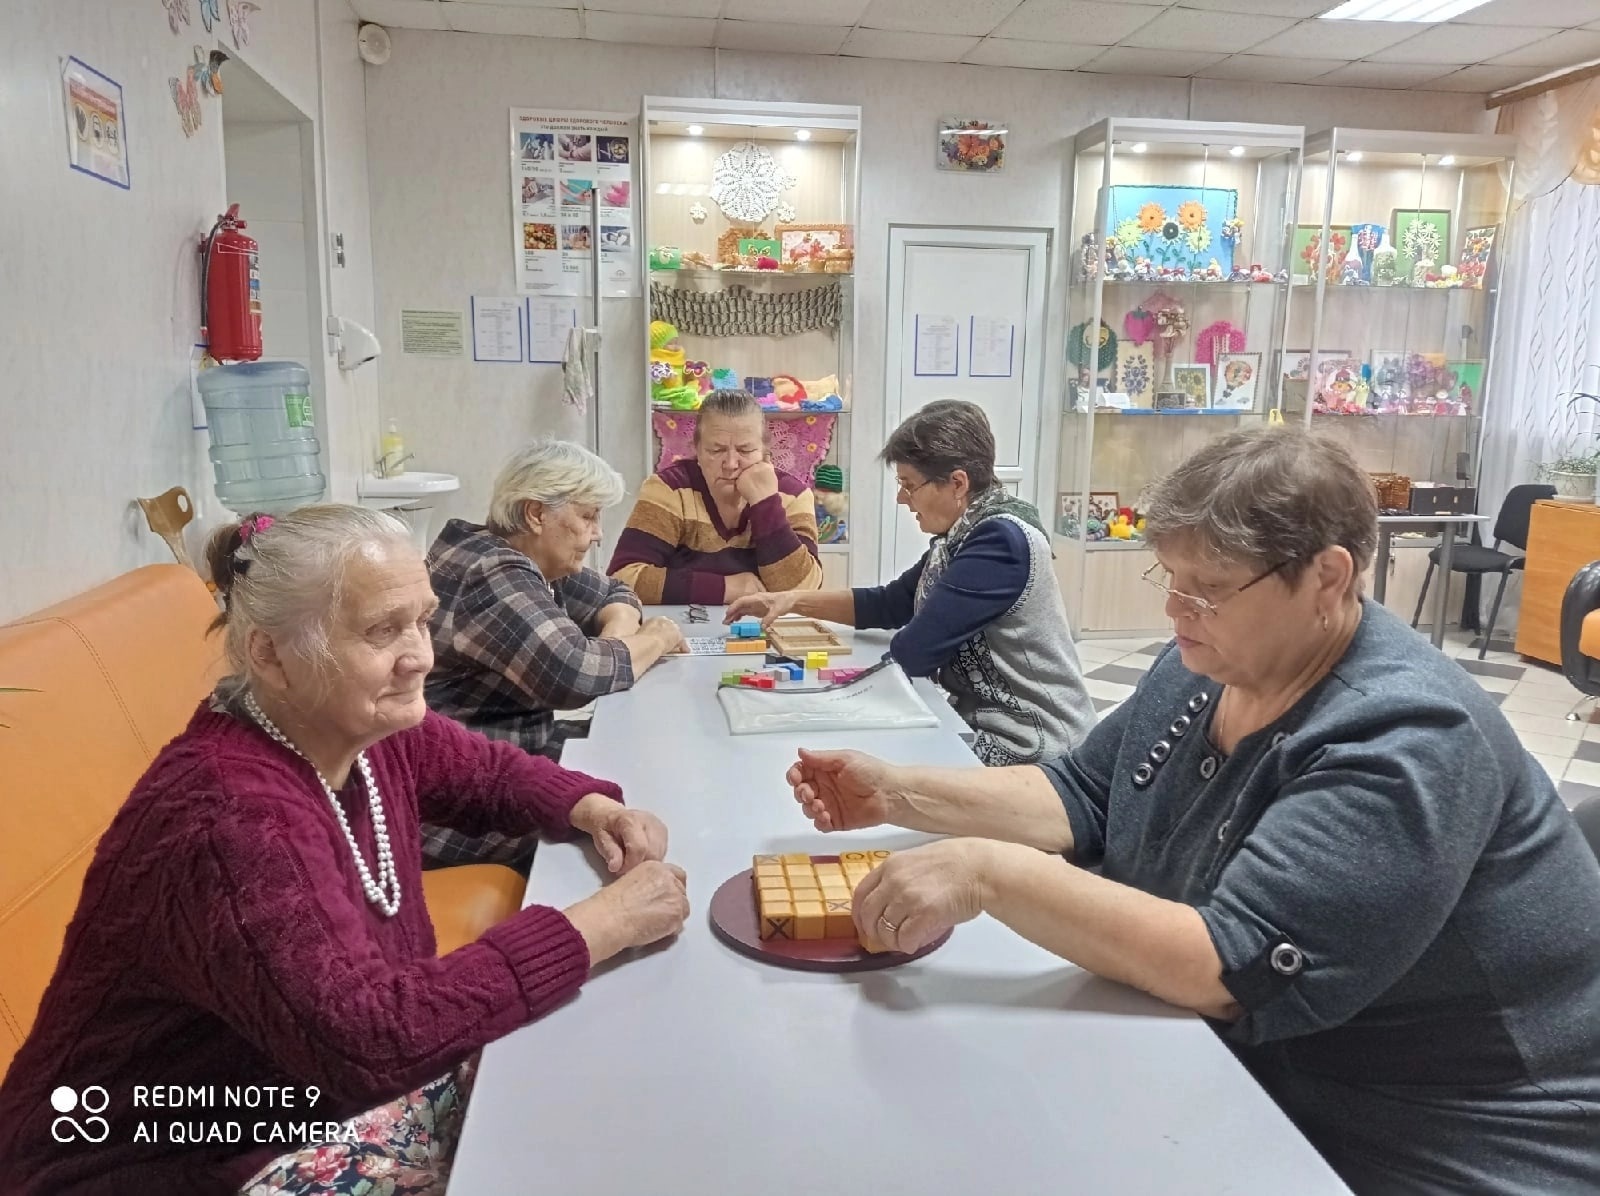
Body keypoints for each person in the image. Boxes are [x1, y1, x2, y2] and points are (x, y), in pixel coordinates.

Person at [784, 427, 1600, 1194]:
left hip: (1443, 1133)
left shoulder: (1408, 734)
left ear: (1328, 578)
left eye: (1208, 589)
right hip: (1269, 1069)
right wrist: (899, 791)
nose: (1176, 609)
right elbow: (1083, 793)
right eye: (1169, 577)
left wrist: (987, 871)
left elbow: (1226, 968)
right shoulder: (1219, 658)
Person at [0, 506, 690, 1195]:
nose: (422, 654)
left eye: (423, 620)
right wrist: (602, 924)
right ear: (271, 654)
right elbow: (374, 1037)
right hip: (152, 1163)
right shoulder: (228, 820)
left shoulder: (352, 723)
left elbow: (484, 773)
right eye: (382, 630)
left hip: (297, 1110)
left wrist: (593, 806)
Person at [729, 400, 1094, 765]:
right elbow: (889, 603)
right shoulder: (962, 536)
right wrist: (792, 600)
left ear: (957, 483)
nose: (901, 498)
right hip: (984, 721)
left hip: (1035, 743)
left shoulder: (1000, 544)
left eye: (909, 485)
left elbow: (914, 653)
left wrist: (808, 700)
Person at [425, 440, 685, 868]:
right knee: (643, 821)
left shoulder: (530, 556)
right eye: (587, 517)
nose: (598, 533)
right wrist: (654, 638)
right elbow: (576, 676)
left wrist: (618, 637)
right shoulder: (490, 571)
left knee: (650, 762)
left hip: (512, 764)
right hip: (464, 804)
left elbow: (618, 591)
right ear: (536, 513)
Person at [608, 388, 823, 603]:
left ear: (765, 452)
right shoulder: (670, 488)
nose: (730, 464)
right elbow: (624, 578)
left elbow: (804, 589)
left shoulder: (793, 495)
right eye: (716, 450)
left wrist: (765, 503)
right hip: (683, 629)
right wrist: (727, 588)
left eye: (745, 451)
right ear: (697, 450)